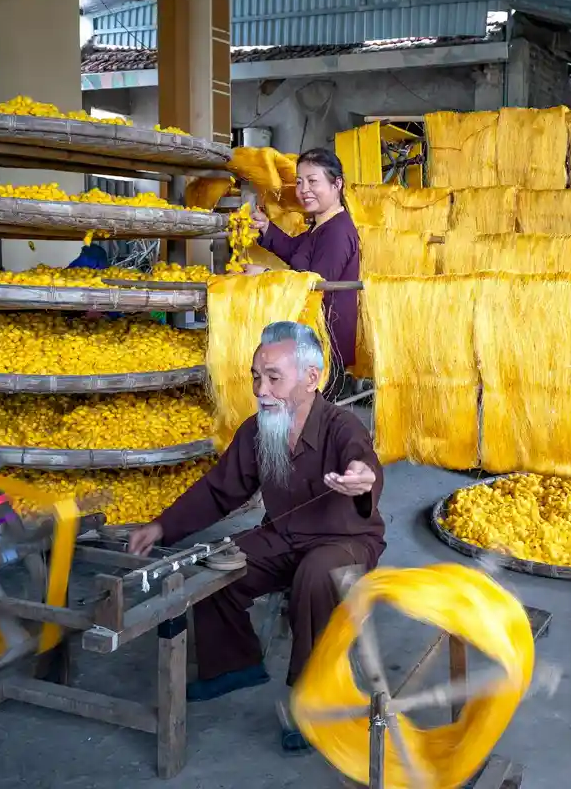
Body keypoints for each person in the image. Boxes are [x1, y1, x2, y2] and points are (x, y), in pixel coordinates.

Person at [126, 320, 384, 752]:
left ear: (311, 378)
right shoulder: (258, 429)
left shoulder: (342, 427)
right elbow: (219, 490)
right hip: (282, 537)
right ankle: (233, 665)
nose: (261, 390)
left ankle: (316, 700)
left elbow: (363, 462)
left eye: (273, 378)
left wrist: (362, 478)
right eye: (256, 377)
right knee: (213, 565)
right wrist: (162, 525)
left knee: (318, 574)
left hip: (345, 540)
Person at [249, 148, 360, 394]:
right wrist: (266, 227)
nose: (304, 190)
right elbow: (296, 251)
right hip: (312, 342)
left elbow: (315, 284)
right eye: (299, 182)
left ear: (337, 184)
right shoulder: (321, 225)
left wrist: (265, 275)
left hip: (325, 349)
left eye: (312, 181)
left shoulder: (337, 232)